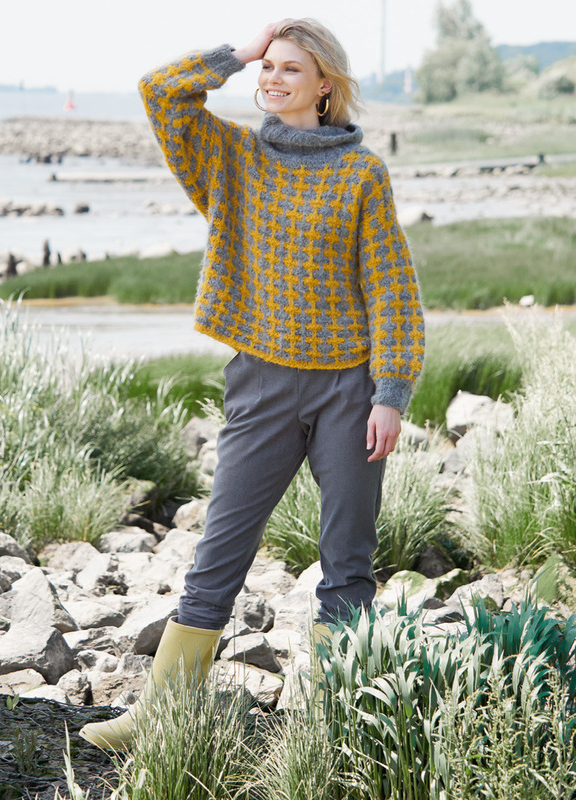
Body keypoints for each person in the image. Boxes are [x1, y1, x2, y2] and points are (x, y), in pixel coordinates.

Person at [80, 18, 425, 751]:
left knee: (347, 560)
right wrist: (236, 54)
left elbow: (391, 287)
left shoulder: (361, 173)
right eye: (268, 67)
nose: (272, 78)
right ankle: (161, 714)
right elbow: (160, 93)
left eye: (290, 68)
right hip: (261, 385)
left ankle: (339, 723)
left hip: (347, 391)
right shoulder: (232, 157)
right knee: (220, 550)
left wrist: (390, 393)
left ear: (325, 86)